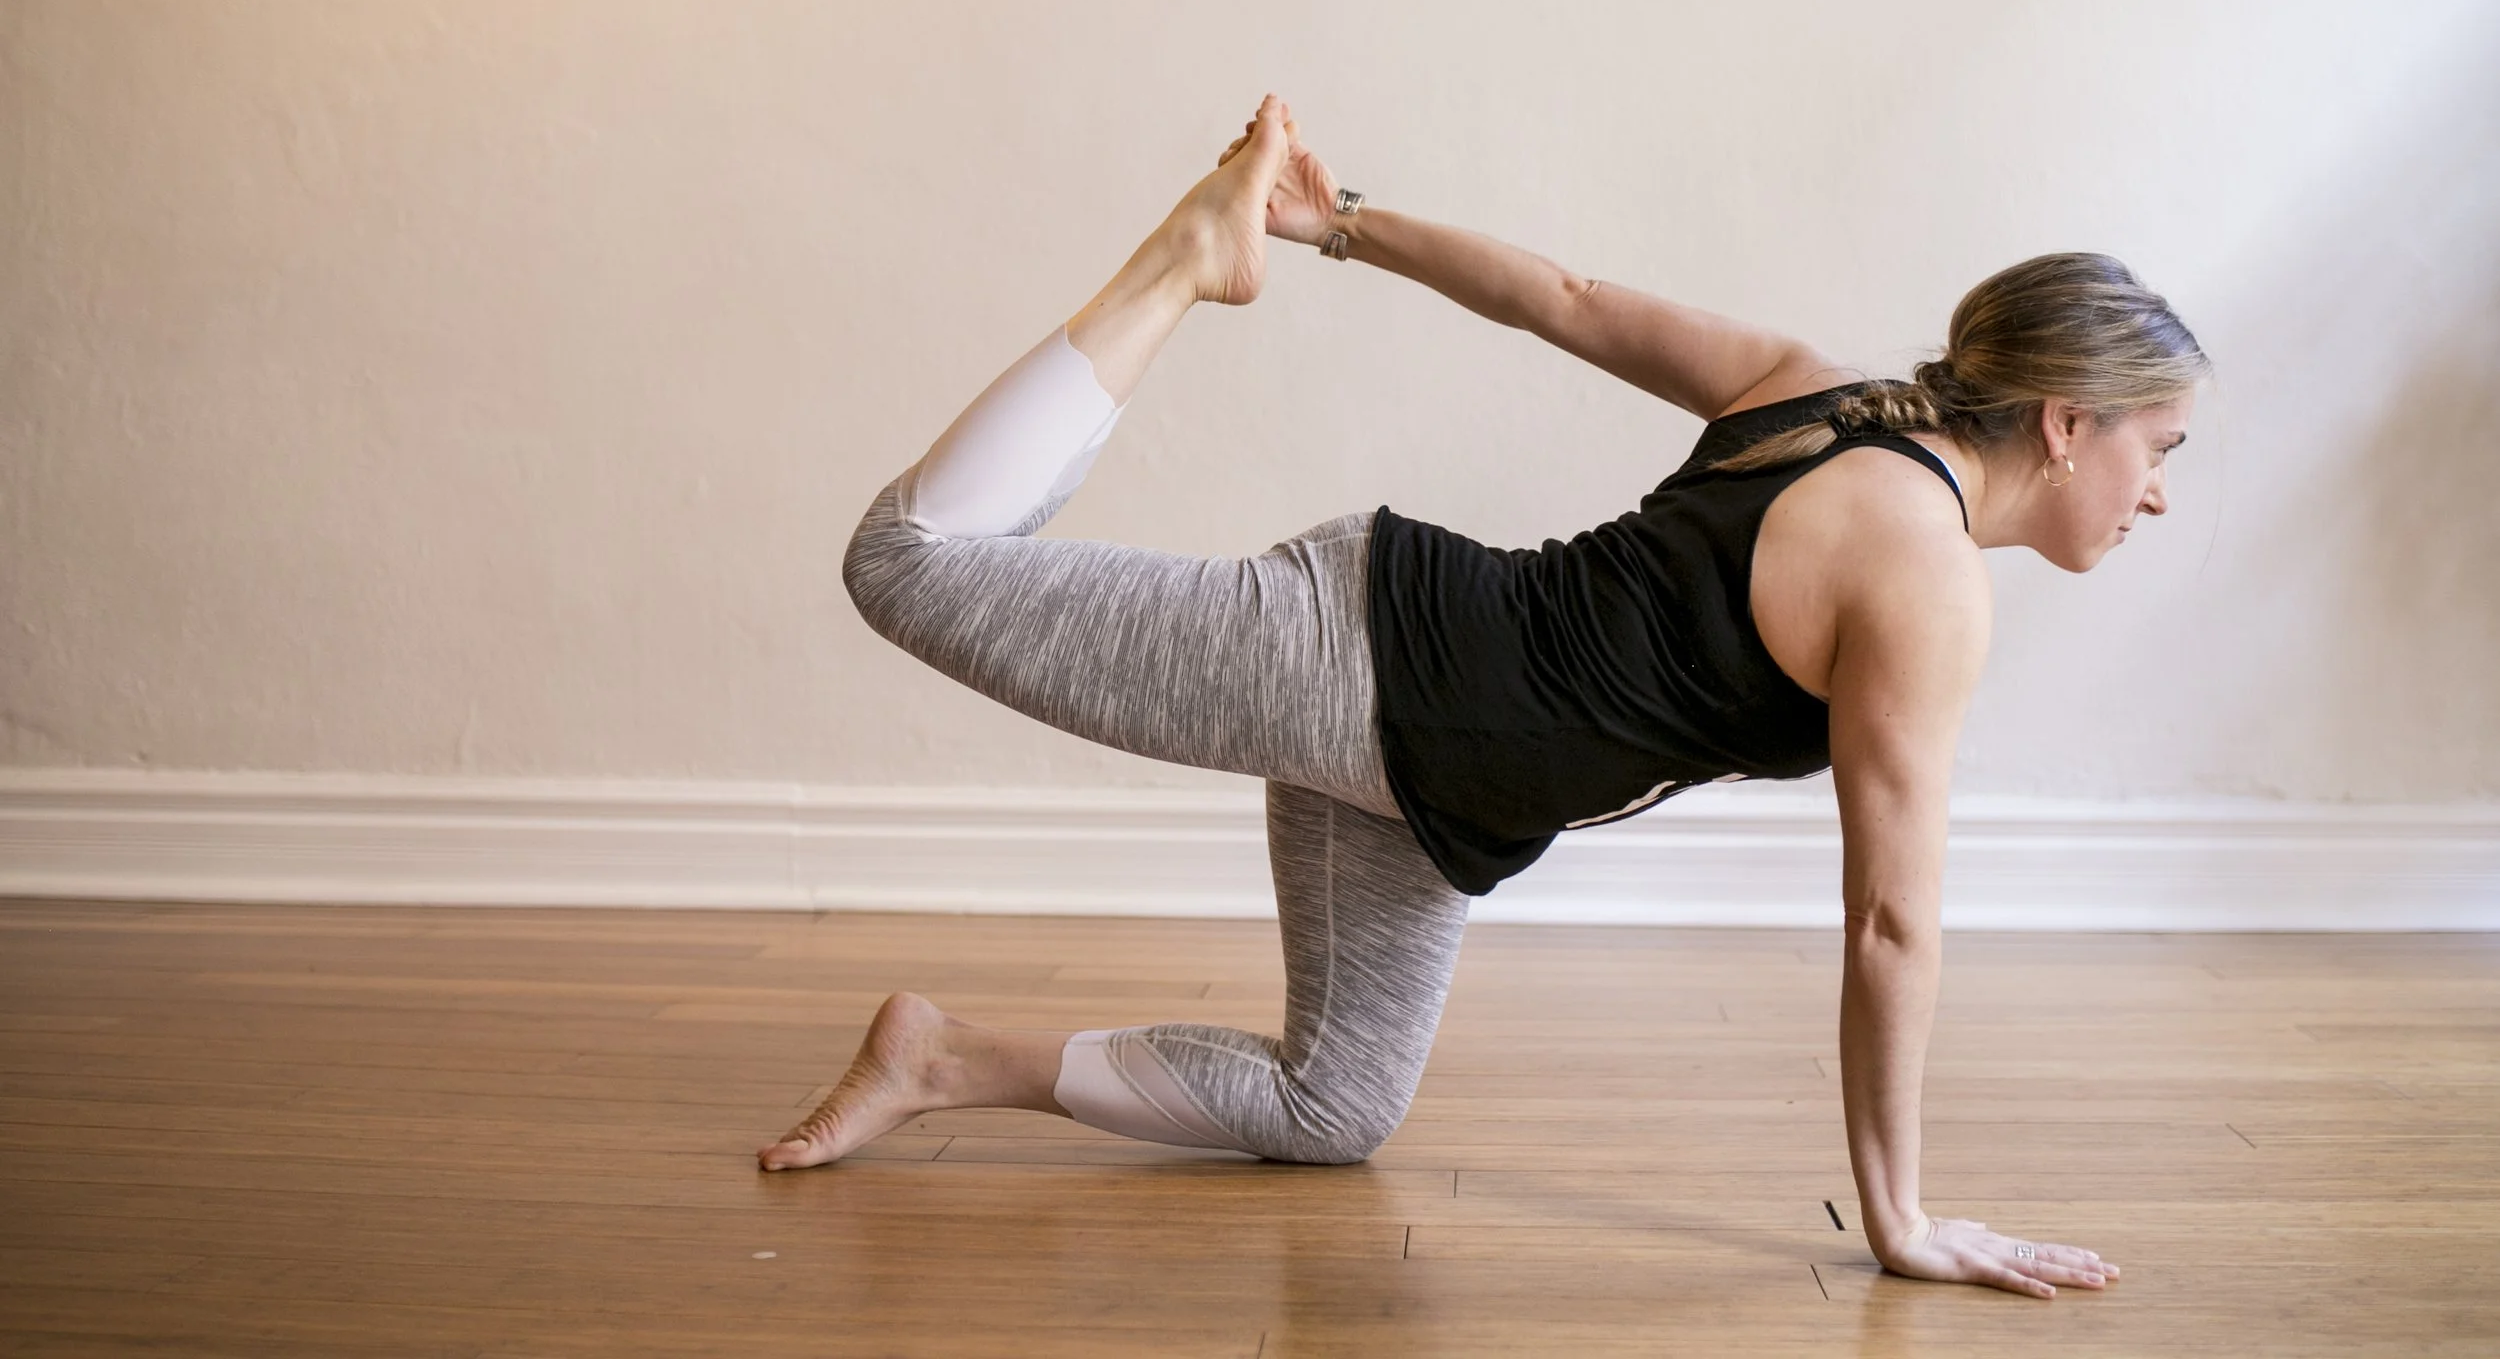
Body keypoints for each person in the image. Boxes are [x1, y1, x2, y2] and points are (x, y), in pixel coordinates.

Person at [759, 94, 2206, 1301]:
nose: (2158, 494)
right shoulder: (1929, 580)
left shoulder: (1823, 396)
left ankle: (939, 1058)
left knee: (1334, 1108)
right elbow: (1891, 925)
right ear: (2067, 422)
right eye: (2160, 450)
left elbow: (1561, 302)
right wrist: (1899, 1217)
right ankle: (1180, 263)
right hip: (1358, 664)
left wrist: (1339, 220)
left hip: (1429, 790)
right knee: (905, 566)